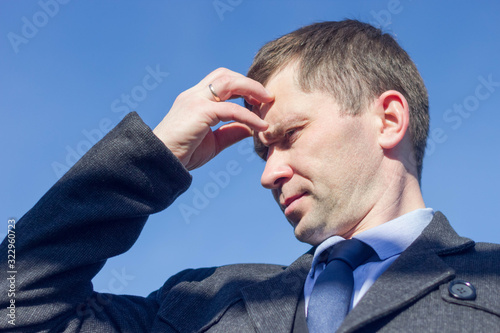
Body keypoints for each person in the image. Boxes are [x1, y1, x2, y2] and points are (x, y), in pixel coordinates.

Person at [1, 20, 499, 333]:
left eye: (289, 135)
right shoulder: (199, 305)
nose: (269, 174)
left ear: (388, 119)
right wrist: (150, 159)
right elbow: (16, 303)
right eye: (262, 152)